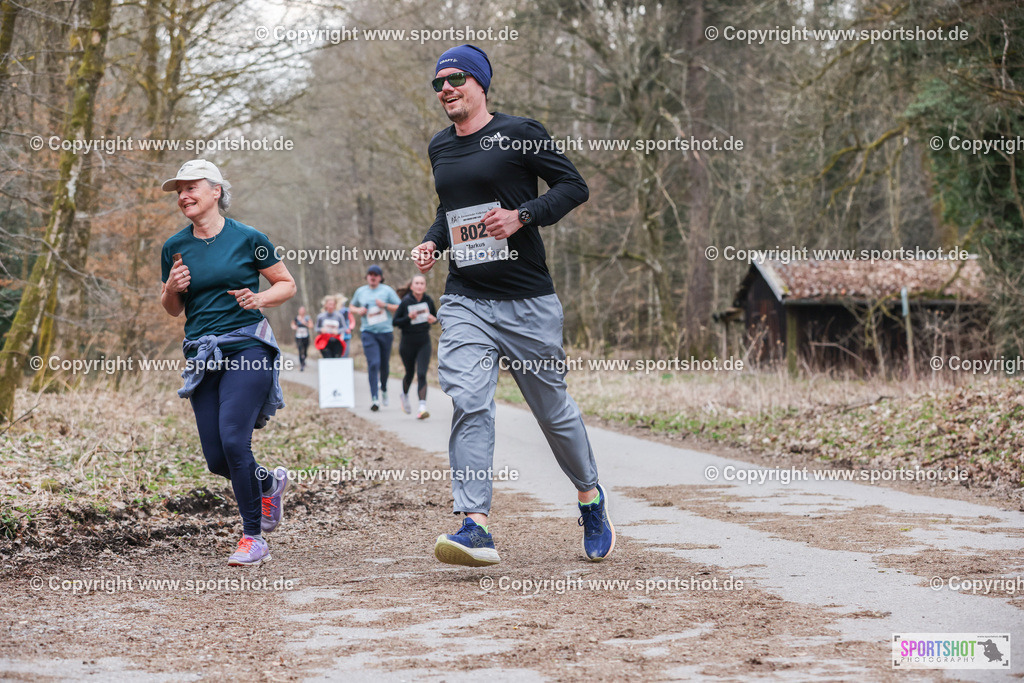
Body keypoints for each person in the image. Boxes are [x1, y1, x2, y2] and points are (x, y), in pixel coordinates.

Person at [411, 45, 614, 567]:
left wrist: (523, 215)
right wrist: (435, 242)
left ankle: (590, 497)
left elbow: (574, 187)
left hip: (527, 300)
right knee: (470, 402)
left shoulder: (521, 132)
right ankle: (474, 523)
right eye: (438, 84)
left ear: (480, 83)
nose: (445, 89)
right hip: (466, 299)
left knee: (553, 413)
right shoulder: (440, 147)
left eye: (454, 79)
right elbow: (450, 211)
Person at [159, 159, 296, 567]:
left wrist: (260, 299)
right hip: (203, 353)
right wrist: (170, 288)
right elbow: (173, 309)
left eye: (191, 186)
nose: (184, 195)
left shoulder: (249, 238)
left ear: (216, 190)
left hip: (247, 347)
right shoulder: (173, 247)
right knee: (218, 458)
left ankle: (253, 538)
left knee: (236, 442)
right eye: (179, 190)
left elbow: (285, 284)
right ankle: (269, 482)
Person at [349, 265, 400, 411]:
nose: (372, 277)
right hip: (368, 332)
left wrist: (385, 305)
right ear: (367, 277)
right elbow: (351, 307)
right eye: (370, 274)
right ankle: (374, 398)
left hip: (385, 332)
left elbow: (400, 306)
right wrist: (359, 310)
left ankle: (383, 387)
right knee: (373, 363)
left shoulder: (387, 290)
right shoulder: (361, 292)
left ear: (380, 277)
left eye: (375, 275)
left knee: (384, 364)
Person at [392, 275, 437, 419]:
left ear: (425, 286)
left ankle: (422, 408)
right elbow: (395, 322)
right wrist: (408, 318)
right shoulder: (405, 302)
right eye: (416, 283)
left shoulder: (428, 300)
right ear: (411, 286)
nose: (419, 286)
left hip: (424, 341)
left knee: (422, 373)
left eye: (422, 283)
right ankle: (404, 395)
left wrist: (433, 320)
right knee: (410, 373)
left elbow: (435, 318)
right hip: (407, 342)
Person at [291, 306, 313, 370]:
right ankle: (302, 365)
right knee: (300, 350)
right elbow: (292, 324)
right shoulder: (296, 318)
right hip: (298, 336)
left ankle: (304, 359)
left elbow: (311, 326)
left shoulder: (307, 318)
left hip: (306, 336)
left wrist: (305, 323)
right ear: (299, 311)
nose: (302, 312)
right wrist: (294, 327)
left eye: (303, 310)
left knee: (305, 351)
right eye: (301, 310)